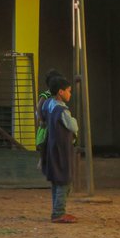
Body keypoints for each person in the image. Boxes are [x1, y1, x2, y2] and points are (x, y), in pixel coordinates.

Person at [40, 73, 79, 223]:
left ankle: (56, 210)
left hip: (51, 147)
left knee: (56, 181)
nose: (70, 93)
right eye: (69, 90)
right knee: (64, 180)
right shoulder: (62, 111)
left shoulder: (48, 104)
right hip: (61, 150)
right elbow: (73, 126)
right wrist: (74, 119)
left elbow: (41, 114)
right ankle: (58, 212)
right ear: (61, 92)